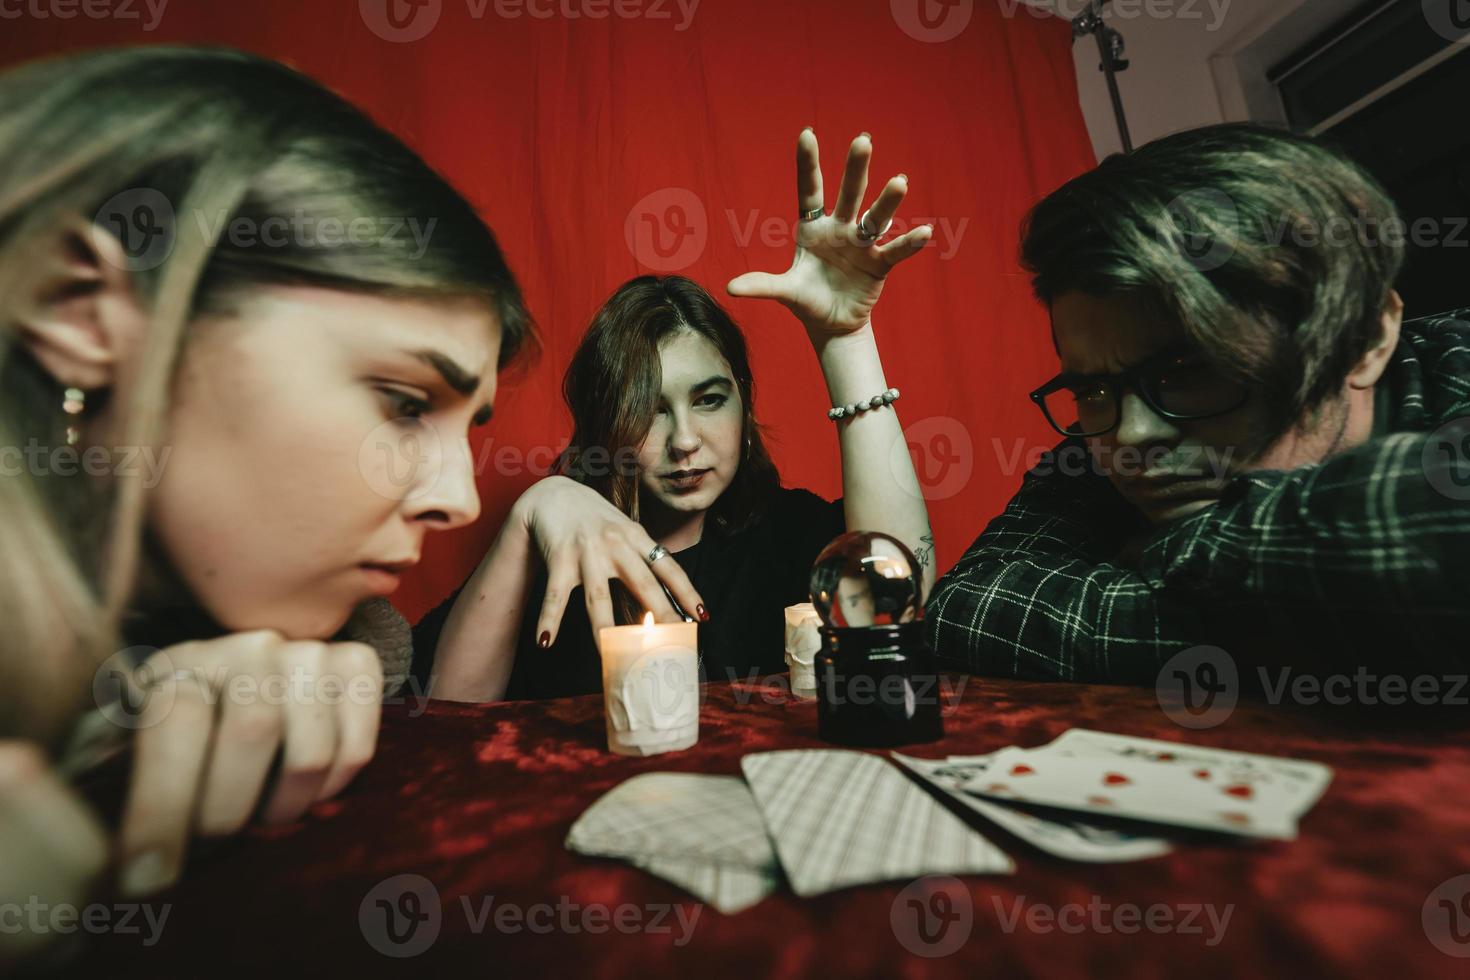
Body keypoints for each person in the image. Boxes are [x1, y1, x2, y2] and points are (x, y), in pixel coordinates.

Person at [0, 44, 534, 941]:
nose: (461, 500)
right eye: (404, 404)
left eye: (466, 427)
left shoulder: (335, 639)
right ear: (81, 309)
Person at [927, 123, 1470, 688]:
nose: (1131, 437)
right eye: (1089, 390)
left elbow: (1445, 529)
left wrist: (1159, 562)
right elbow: (968, 604)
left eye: (1190, 371)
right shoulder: (1105, 431)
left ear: (1364, 339)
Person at [414, 129, 936, 701]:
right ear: (604, 422)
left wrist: (847, 341)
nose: (684, 440)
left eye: (709, 400)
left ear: (744, 400)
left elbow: (905, 588)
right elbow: (448, 715)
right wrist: (530, 511)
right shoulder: (552, 550)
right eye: (648, 411)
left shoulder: (790, 534)